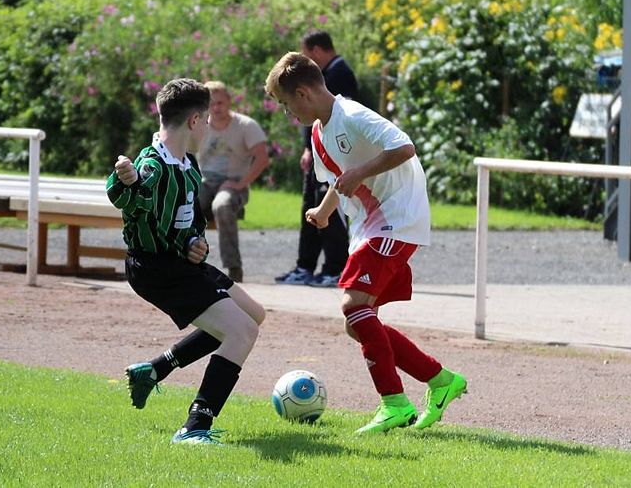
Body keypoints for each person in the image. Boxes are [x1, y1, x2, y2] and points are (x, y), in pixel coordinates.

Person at [264, 53, 467, 434]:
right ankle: (441, 381)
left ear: (303, 93)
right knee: (358, 324)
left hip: (395, 219)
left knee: (353, 305)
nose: (288, 113)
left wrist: (361, 171)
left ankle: (395, 403)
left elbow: (404, 147)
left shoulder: (352, 115)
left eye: (287, 103)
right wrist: (324, 211)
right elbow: (340, 180)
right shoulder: (319, 132)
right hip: (371, 227)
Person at [107, 78, 266, 445]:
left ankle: (153, 370)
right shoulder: (152, 165)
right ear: (195, 121)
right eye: (206, 120)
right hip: (157, 269)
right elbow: (131, 200)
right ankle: (195, 426)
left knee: (253, 314)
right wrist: (125, 181)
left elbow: (191, 220)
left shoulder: (187, 164)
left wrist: (197, 243)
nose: (208, 127)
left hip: (182, 263)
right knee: (242, 332)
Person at [276, 30, 355, 288]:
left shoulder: (338, 74)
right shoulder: (324, 74)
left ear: (317, 50)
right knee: (311, 208)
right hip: (318, 151)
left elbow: (332, 118)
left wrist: (317, 149)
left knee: (330, 210)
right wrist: (308, 147)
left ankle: (335, 268)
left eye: (307, 54)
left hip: (332, 155)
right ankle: (305, 266)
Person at [197, 81, 269, 283]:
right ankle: (186, 263)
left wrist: (241, 184)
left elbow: (262, 158)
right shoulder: (199, 125)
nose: (216, 108)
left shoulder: (246, 125)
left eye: (220, 103)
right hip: (205, 181)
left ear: (229, 101)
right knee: (187, 204)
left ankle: (233, 268)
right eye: (211, 104)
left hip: (233, 182)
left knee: (222, 205)